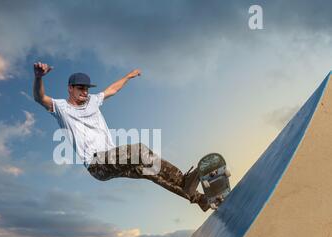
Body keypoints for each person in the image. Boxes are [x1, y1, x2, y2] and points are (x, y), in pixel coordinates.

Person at [32, 61, 211, 211]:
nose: (85, 92)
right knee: (139, 151)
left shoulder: (93, 100)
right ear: (70, 88)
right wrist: (39, 77)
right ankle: (185, 181)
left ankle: (200, 199)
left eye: (87, 89)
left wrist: (128, 76)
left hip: (112, 159)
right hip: (96, 165)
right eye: (81, 89)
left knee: (149, 171)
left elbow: (112, 89)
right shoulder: (61, 108)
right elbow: (40, 98)